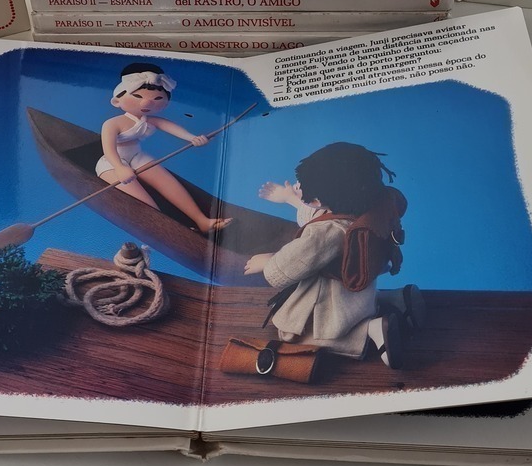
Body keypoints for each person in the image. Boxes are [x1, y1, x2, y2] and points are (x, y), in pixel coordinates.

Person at [244, 142, 407, 365]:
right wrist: (290, 198)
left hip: (333, 299)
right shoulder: (367, 205)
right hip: (359, 293)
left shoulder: (326, 233)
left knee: (297, 336)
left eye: (307, 190)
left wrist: (269, 262)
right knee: (357, 306)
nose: (299, 188)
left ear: (320, 200)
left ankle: (371, 329)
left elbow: (291, 263)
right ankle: (395, 299)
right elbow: (322, 214)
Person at [96, 63, 231, 235]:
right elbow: (108, 150)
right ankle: (171, 230)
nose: (147, 102)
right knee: (144, 202)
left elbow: (169, 126)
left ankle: (201, 220)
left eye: (158, 98)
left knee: (168, 183)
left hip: (137, 157)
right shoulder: (112, 124)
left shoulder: (149, 120)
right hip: (113, 162)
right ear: (117, 100)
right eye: (137, 96)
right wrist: (120, 167)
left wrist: (192, 138)